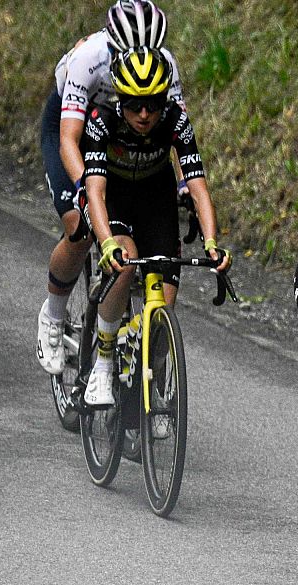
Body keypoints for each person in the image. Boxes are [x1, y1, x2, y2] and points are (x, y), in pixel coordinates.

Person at [34, 0, 177, 376]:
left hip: (122, 139)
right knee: (80, 227)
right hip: (72, 132)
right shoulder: (89, 59)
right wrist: (87, 189)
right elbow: (68, 139)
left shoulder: (167, 66)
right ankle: (53, 314)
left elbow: (173, 134)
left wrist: (180, 187)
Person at [79, 47, 227, 407]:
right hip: (112, 196)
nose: (144, 115)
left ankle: (154, 385)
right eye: (134, 105)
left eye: (153, 104)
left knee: (163, 314)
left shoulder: (175, 120)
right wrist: (107, 242)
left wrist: (211, 242)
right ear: (120, 100)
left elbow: (197, 186)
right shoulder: (102, 120)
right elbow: (94, 192)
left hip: (155, 199)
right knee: (125, 261)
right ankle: (102, 361)